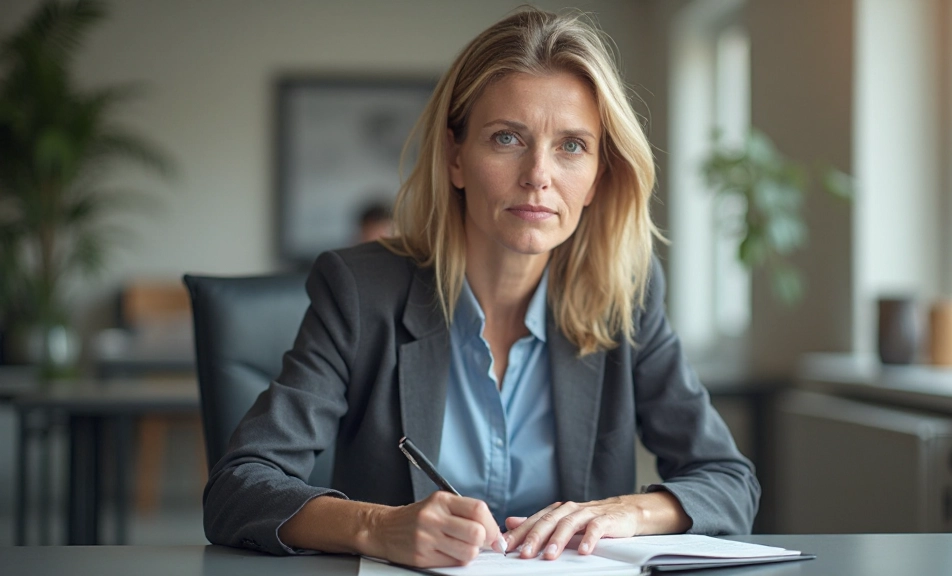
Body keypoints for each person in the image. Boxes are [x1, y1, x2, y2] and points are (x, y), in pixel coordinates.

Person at [203, 7, 759, 568]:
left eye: (571, 146)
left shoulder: (627, 297)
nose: (538, 174)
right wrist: (377, 526)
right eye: (507, 137)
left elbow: (729, 481)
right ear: (455, 158)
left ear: (597, 176)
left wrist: (627, 512)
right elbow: (237, 488)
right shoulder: (360, 292)